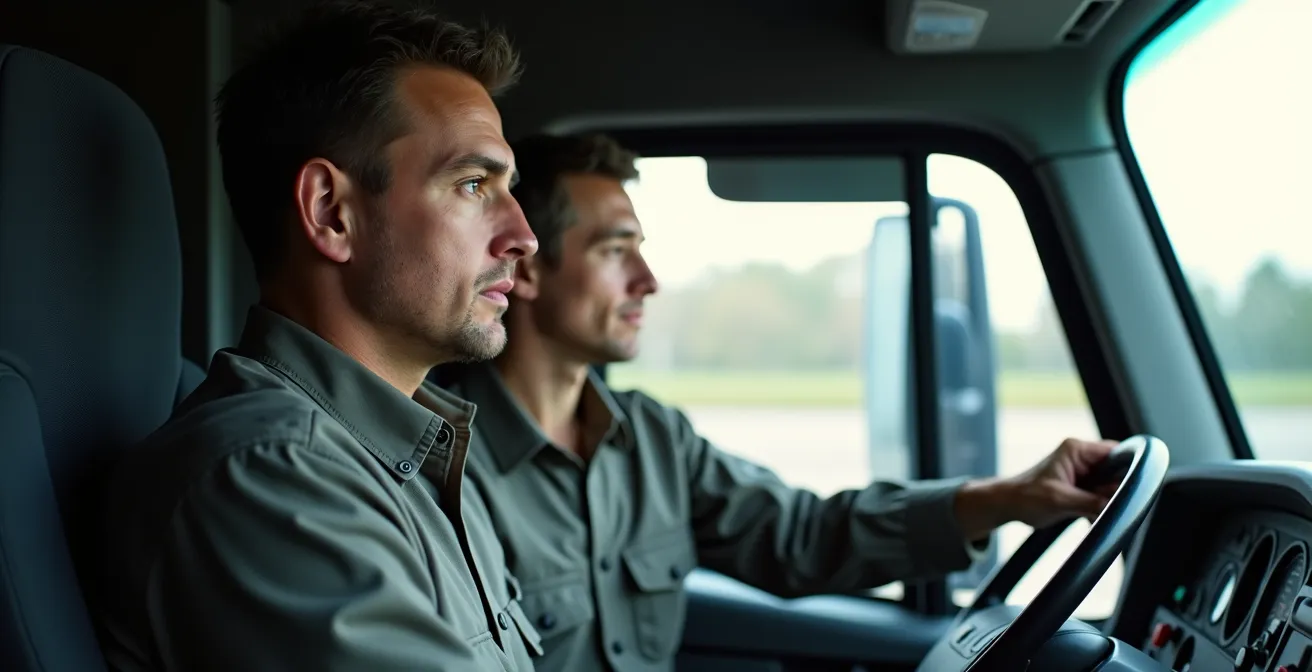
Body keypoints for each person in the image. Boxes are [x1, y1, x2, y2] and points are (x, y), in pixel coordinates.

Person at [437, 132, 1121, 672]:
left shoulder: (652, 439)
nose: (648, 280)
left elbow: (802, 536)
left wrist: (1009, 497)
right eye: (616, 251)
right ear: (525, 270)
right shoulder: (438, 460)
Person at [97, 2, 543, 670]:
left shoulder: (419, 459)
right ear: (331, 212)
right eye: (474, 184)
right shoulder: (268, 474)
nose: (523, 237)